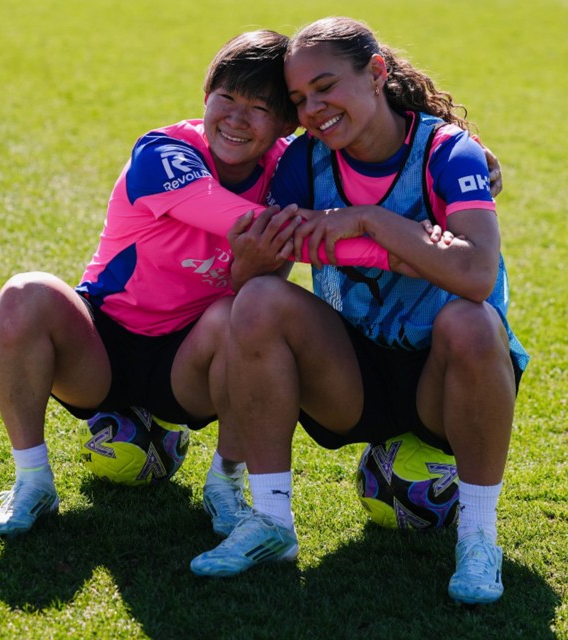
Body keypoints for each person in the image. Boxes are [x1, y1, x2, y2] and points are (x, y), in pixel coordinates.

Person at [0, 30, 396, 538]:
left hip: (192, 365)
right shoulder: (164, 151)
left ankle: (225, 484)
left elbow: (376, 153)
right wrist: (396, 249)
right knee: (26, 293)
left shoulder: (290, 170)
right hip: (102, 348)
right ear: (205, 95)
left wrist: (456, 167)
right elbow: (257, 227)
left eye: (259, 108)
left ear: (286, 124)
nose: (237, 118)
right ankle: (32, 482)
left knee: (239, 316)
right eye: (227, 97)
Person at [189, 17, 529, 606]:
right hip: (352, 378)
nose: (314, 109)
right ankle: (270, 520)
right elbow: (252, 287)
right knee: (259, 300)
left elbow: (476, 274)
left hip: (447, 382)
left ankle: (478, 539)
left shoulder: (447, 152)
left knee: (470, 320)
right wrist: (256, 252)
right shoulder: (306, 161)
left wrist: (367, 221)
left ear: (375, 73)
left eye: (325, 87)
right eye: (300, 99)